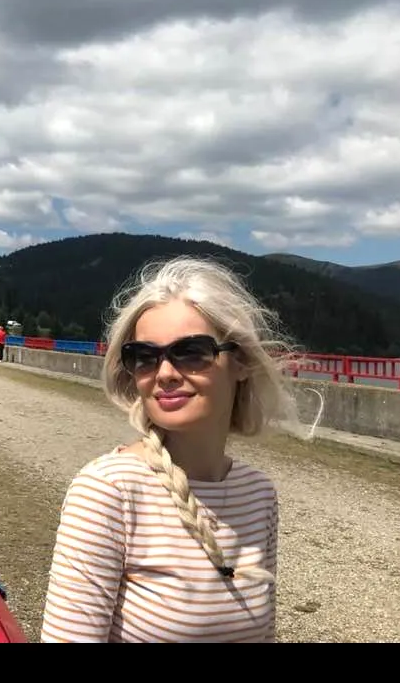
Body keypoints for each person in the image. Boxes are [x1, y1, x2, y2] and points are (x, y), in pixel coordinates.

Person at [40, 255, 296, 643]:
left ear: (241, 361)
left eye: (191, 352)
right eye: (144, 357)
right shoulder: (108, 491)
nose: (164, 374)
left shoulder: (258, 494)